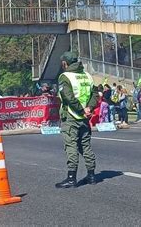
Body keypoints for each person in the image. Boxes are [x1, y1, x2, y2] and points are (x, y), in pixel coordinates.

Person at [55, 51, 99, 188]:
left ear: (64, 63)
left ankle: (71, 178)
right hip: (85, 117)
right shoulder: (87, 76)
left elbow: (68, 97)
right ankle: (92, 176)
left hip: (71, 116)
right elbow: (95, 94)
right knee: (86, 146)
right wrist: (89, 109)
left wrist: (80, 110)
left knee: (71, 146)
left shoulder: (65, 77)